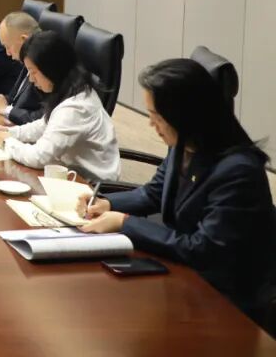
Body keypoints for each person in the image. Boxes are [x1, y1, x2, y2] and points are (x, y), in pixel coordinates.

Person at [77, 59, 275, 328]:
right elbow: (154, 193)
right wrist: (107, 203)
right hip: (183, 273)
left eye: (156, 116)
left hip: (226, 302)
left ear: (184, 116)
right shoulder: (184, 144)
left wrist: (125, 223)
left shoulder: (239, 172)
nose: (151, 124)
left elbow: (202, 249)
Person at [0, 30, 119, 180]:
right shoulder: (70, 89)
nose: (31, 79)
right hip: (70, 173)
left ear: (52, 69)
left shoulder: (75, 108)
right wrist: (12, 133)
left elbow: (39, 157)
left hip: (91, 185)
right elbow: (45, 125)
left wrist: (6, 142)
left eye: (33, 72)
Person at [0, 12, 43, 125]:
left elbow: (42, 119)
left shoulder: (45, 68)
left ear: (24, 40)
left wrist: (6, 109)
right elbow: (16, 99)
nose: (8, 53)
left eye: (8, 46)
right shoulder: (27, 59)